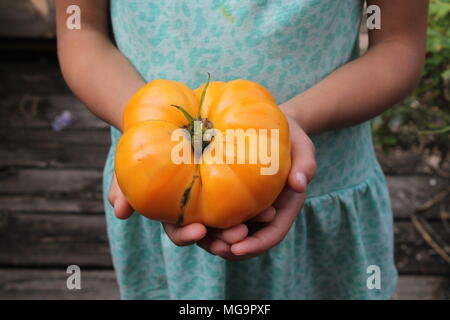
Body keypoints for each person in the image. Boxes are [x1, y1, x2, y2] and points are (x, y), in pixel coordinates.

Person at [56, 0, 428, 299]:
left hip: (323, 192)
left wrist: (291, 122)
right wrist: (145, 130)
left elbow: (399, 44)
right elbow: (82, 31)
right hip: (155, 189)